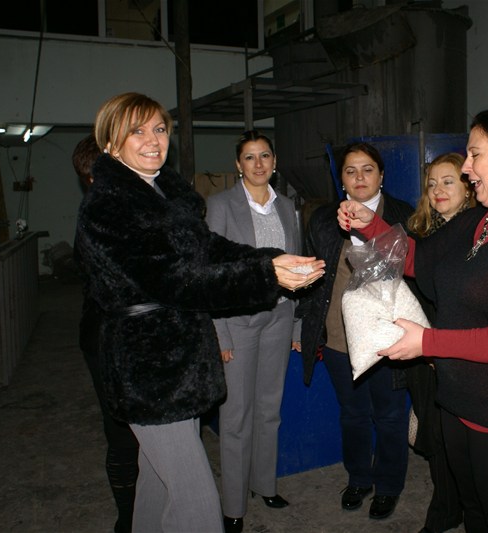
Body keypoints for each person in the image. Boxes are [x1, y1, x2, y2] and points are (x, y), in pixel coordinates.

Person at [74, 92, 324, 533]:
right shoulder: (109, 206)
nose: (153, 140)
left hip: (180, 361)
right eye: (137, 131)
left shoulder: (162, 193)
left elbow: (209, 248)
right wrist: (266, 276)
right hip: (149, 369)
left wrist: (271, 258)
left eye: (159, 129)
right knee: (197, 503)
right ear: (111, 143)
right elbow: (177, 281)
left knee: (157, 484)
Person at [338, 106, 488, 533]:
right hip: (460, 405)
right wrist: (371, 225)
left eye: (475, 155)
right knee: (476, 517)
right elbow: (416, 257)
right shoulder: (479, 221)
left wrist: (428, 343)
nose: (466, 168)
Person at [299, 142, 412, 521]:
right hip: (339, 337)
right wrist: (305, 326)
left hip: (388, 339)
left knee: (391, 416)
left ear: (381, 175)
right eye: (350, 171)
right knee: (353, 414)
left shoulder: (403, 215)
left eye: (367, 169)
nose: (359, 177)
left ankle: (389, 485)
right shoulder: (323, 219)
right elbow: (311, 276)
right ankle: (359, 478)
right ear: (341, 179)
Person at [205, 130, 300, 533]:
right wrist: (220, 333)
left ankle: (265, 485)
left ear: (274, 162)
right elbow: (211, 272)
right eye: (249, 157)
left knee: (269, 409)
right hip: (238, 322)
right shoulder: (220, 205)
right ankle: (233, 506)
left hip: (279, 317)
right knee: (236, 417)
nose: (258, 164)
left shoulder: (288, 207)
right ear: (238, 165)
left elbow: (295, 265)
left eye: (264, 156)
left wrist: (296, 322)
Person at [72, 134, 139, 533]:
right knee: (122, 433)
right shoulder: (97, 219)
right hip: (106, 340)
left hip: (130, 337)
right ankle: (127, 520)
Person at [405, 152, 474, 533]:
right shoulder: (420, 233)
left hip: (455, 348)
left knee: (456, 434)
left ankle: (455, 509)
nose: (438, 190)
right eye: (432, 184)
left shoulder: (478, 234)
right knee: (433, 430)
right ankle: (448, 506)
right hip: (420, 346)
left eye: (448, 181)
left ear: (468, 187)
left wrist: (440, 345)